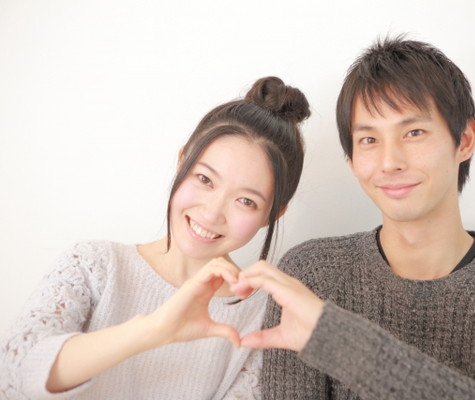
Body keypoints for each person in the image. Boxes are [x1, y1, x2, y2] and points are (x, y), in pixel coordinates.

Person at [227, 36, 475, 399]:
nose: (389, 162)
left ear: (464, 140)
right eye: (369, 140)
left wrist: (332, 336)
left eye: (414, 132)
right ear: (351, 160)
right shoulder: (311, 273)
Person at [0, 76, 310, 399]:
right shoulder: (95, 265)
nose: (212, 213)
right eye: (205, 179)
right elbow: (12, 372)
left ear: (274, 214)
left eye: (246, 201)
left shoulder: (264, 321)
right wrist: (153, 330)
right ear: (181, 162)